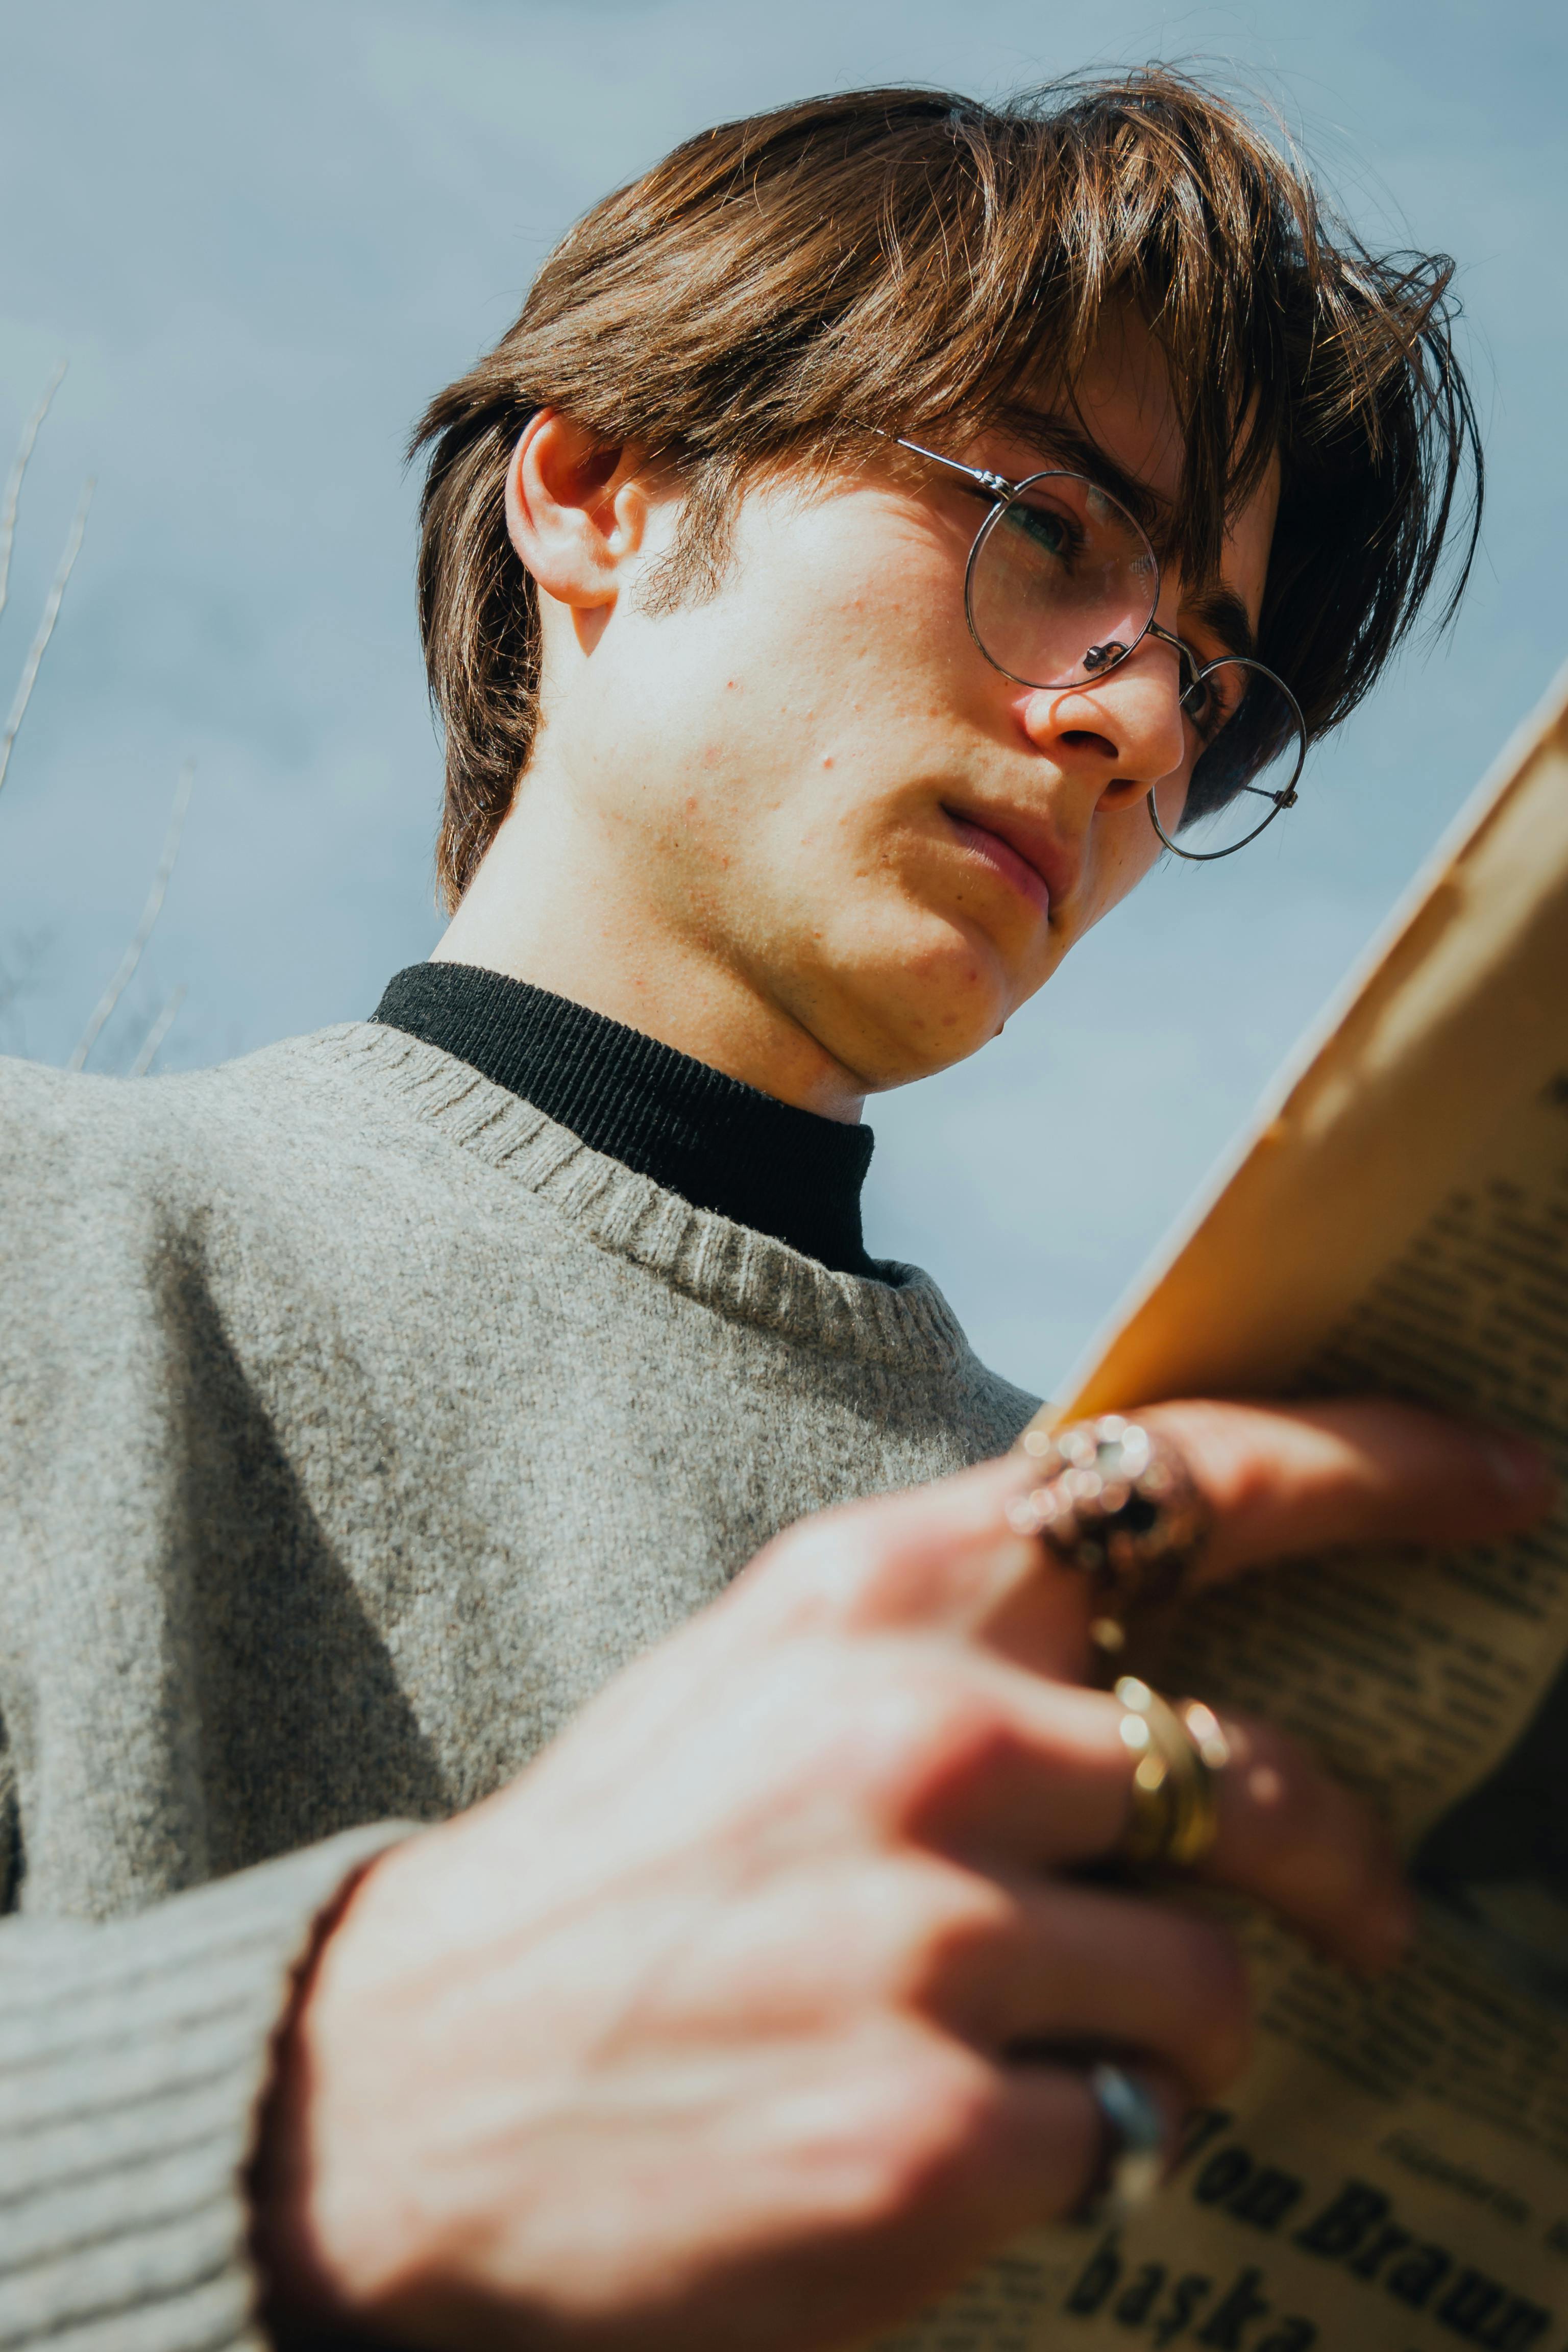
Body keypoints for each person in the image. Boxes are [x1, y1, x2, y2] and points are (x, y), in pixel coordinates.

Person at [0, 69, 1545, 2352]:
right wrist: (324, 2113)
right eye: (1049, 524)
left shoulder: (1123, 1542)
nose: (1141, 723)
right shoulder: (54, 1236)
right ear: (597, 490)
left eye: (1212, 678)